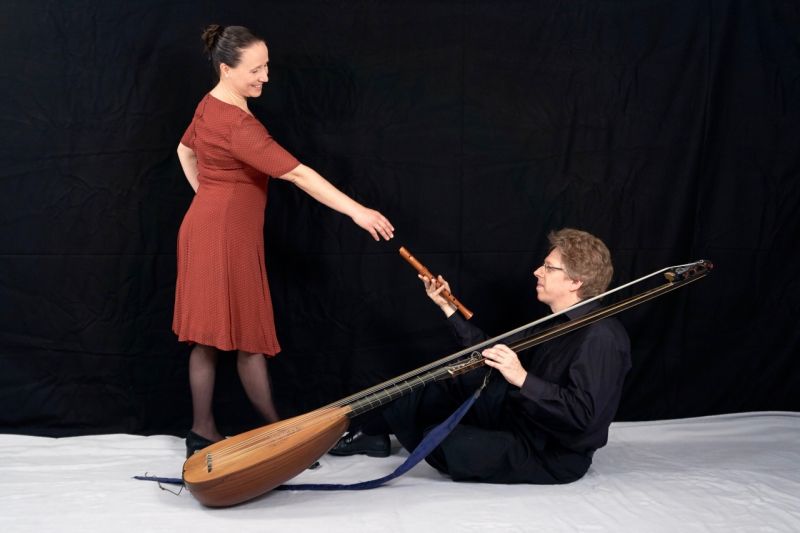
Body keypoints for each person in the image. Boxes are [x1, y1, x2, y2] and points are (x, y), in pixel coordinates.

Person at [174, 25, 394, 458]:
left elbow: (184, 151)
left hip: (205, 229)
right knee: (249, 340)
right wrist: (357, 211)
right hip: (224, 238)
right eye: (256, 69)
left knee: (208, 338)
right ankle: (281, 437)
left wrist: (209, 198)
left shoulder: (209, 104)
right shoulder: (238, 125)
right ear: (226, 68)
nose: (266, 77)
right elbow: (298, 174)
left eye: (267, 66)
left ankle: (202, 432)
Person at [331, 228, 630, 485]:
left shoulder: (601, 337)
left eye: (548, 267)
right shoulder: (556, 320)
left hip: (552, 452)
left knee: (445, 441)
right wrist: (447, 308)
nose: (537, 271)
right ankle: (373, 434)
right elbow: (491, 350)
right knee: (445, 381)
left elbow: (585, 418)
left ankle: (421, 432)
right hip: (523, 417)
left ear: (575, 282)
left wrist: (522, 378)